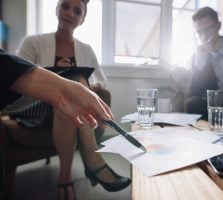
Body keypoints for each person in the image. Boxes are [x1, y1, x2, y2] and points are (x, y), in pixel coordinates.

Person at [3, 0, 131, 199]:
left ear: (82, 19)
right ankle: (93, 160)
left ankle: (65, 178)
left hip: (63, 108)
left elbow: (101, 81)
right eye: (65, 6)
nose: (70, 13)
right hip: (31, 105)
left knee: (74, 89)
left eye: (77, 11)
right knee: (73, 84)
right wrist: (62, 76)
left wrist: (89, 86)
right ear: (56, 8)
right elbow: (16, 77)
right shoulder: (33, 42)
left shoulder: (86, 49)